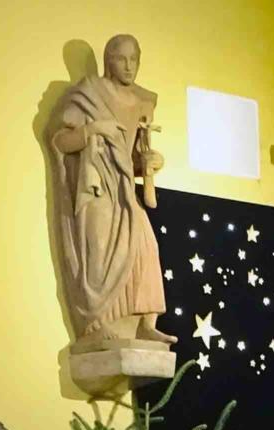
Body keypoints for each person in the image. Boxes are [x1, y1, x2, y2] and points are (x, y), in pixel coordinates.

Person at [47, 33, 171, 344]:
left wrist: (151, 162)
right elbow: (60, 141)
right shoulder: (88, 94)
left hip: (126, 191)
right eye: (121, 59)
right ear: (108, 61)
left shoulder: (144, 102)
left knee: (146, 247)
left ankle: (144, 322)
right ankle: (98, 326)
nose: (129, 66)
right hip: (97, 188)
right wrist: (92, 130)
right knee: (99, 252)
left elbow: (130, 160)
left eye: (134, 59)